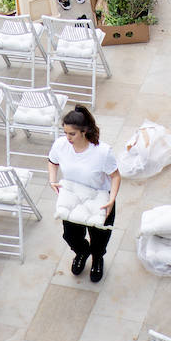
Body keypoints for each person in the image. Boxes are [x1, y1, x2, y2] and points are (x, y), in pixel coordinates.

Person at [48, 105, 121, 282]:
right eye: (65, 132)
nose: (67, 138)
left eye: (72, 134)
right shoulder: (61, 145)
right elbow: (52, 161)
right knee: (70, 235)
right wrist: (52, 180)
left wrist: (112, 200)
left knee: (99, 237)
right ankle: (82, 252)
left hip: (99, 197)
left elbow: (116, 176)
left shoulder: (102, 152)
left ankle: (97, 258)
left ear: (84, 131)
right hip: (73, 196)